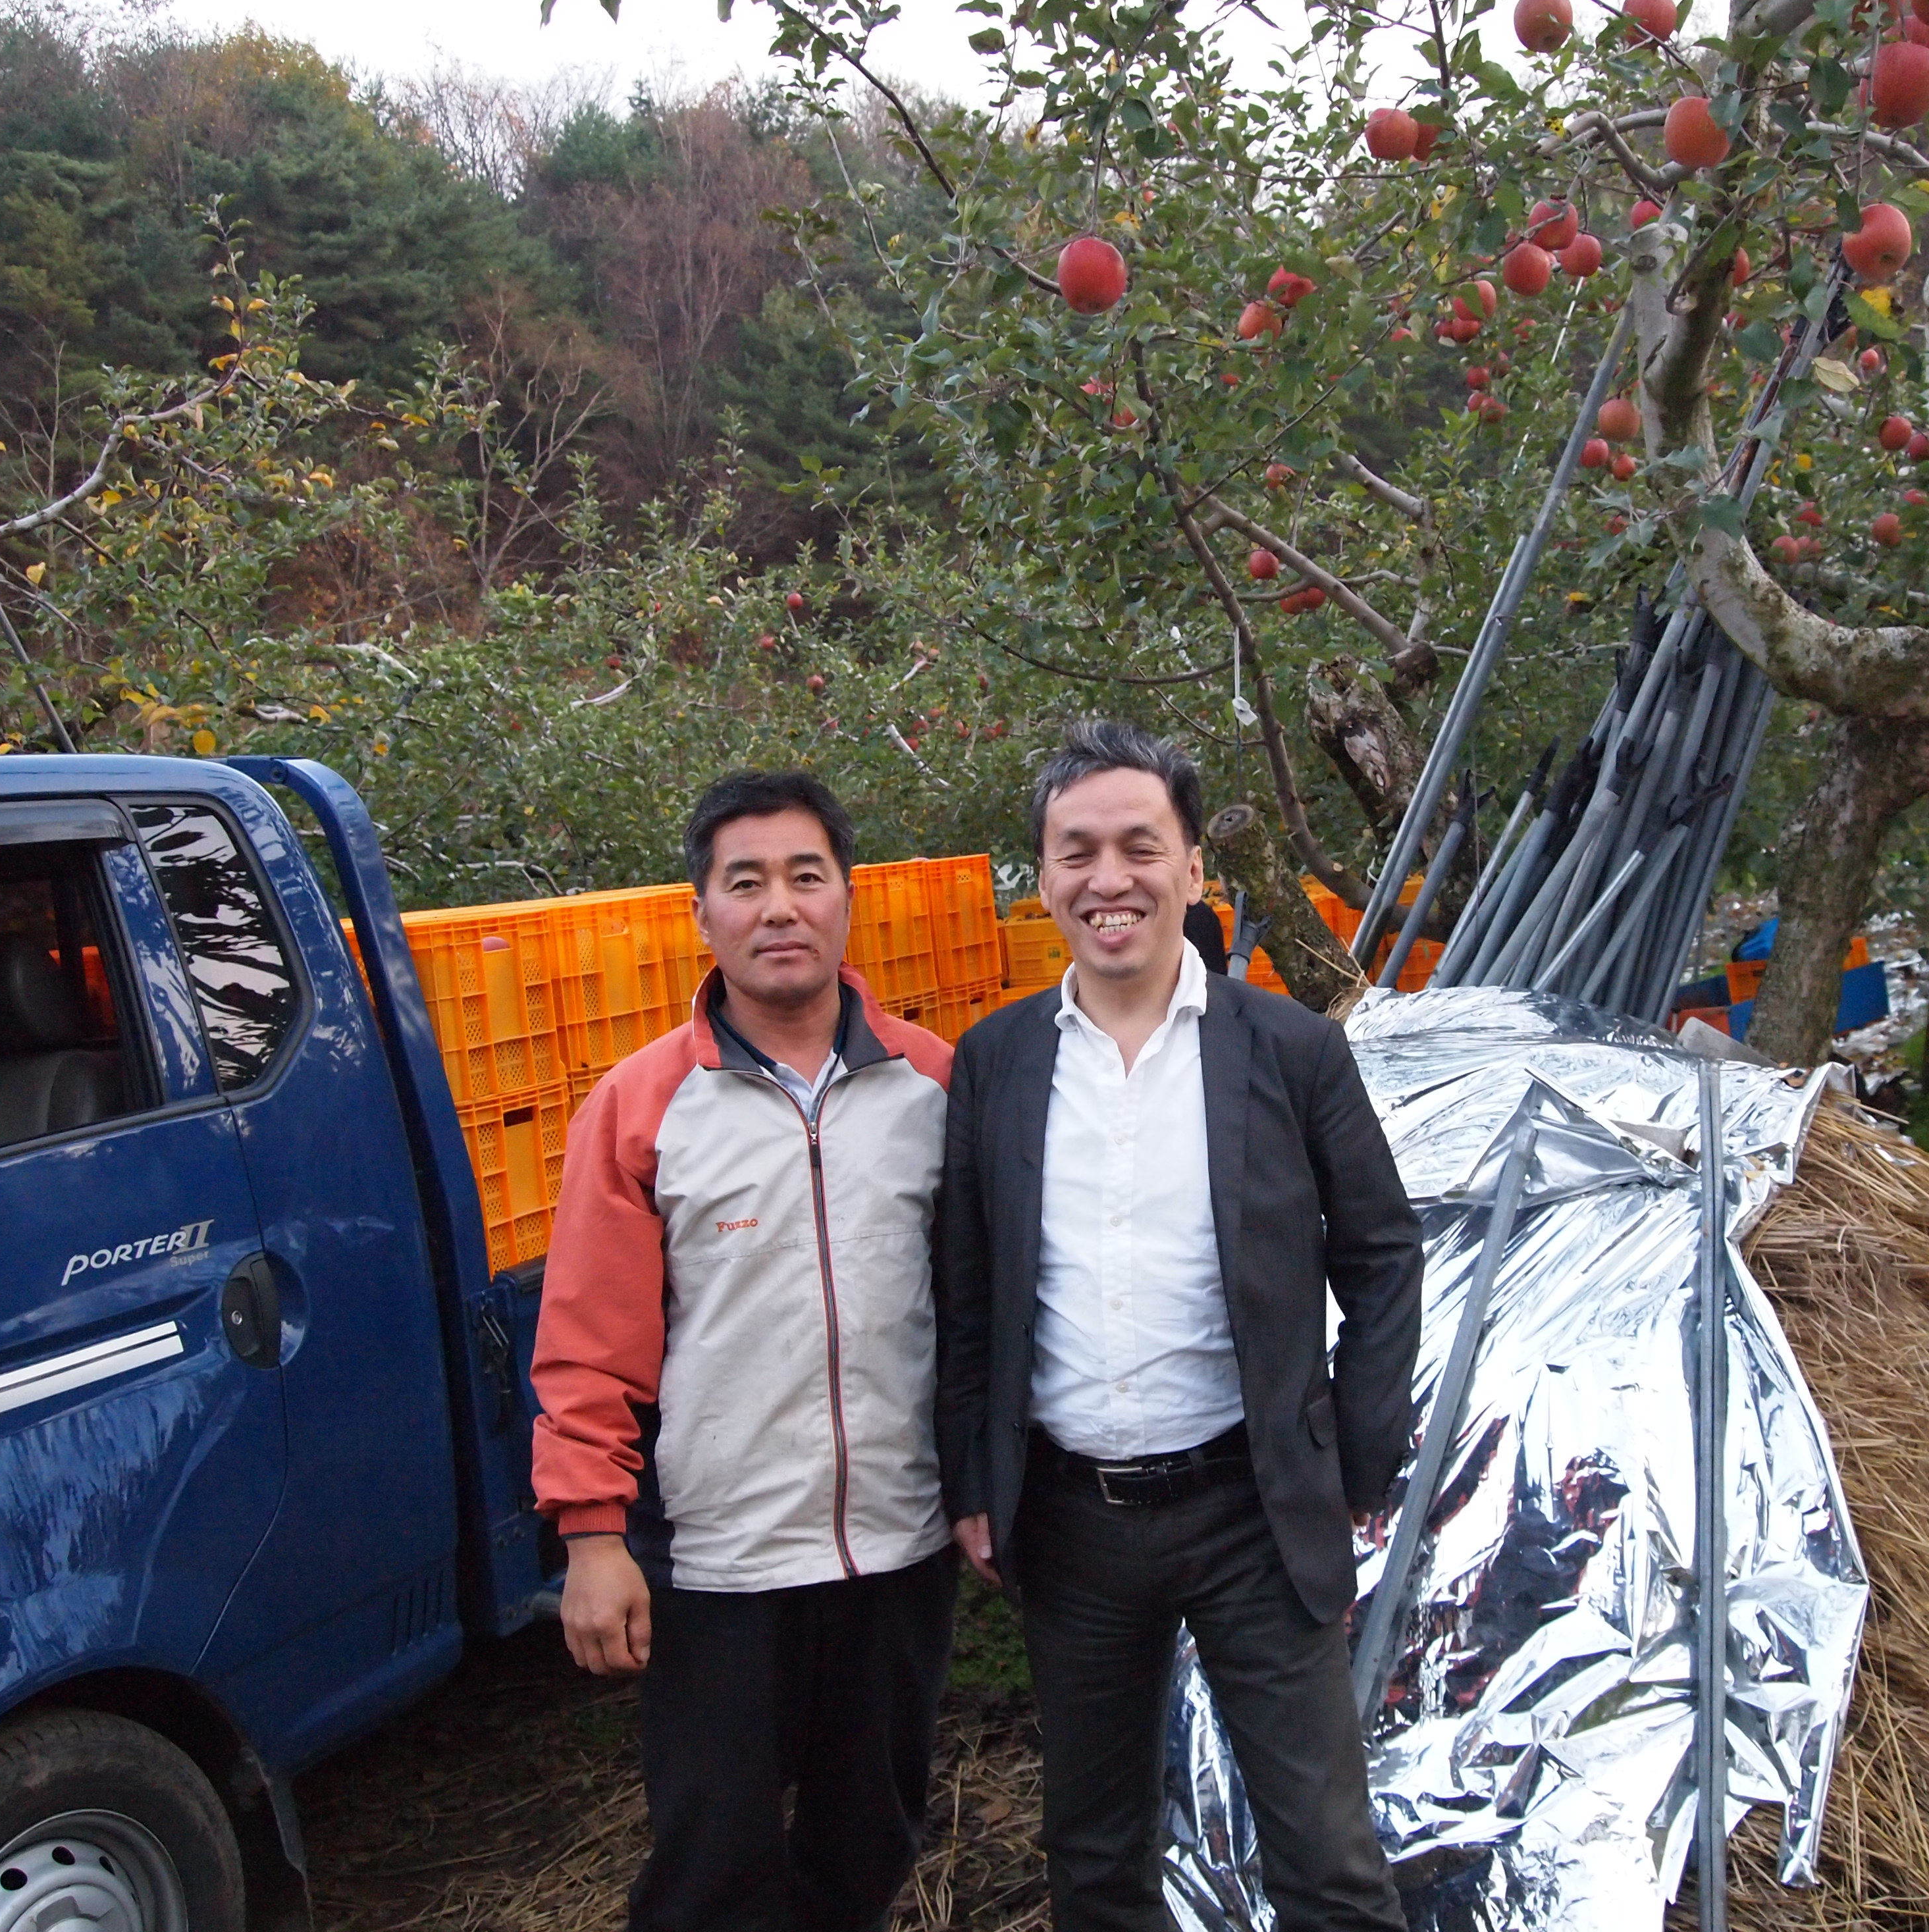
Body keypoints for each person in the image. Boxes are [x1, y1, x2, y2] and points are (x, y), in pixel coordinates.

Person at [936, 719, 1425, 1932]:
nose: (1110, 879)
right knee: (1096, 1855)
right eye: (1078, 852)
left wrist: (1359, 1457)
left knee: (1326, 1858)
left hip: (1252, 1508)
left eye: (1140, 847)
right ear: (1044, 878)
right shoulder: (995, 1062)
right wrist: (975, 1477)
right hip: (1072, 1521)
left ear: (1194, 868)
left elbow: (1380, 1255)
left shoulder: (1291, 1051)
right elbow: (969, 1291)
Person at [531, 768, 957, 1932]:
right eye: (746, 882)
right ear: (702, 914)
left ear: (848, 898)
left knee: (867, 1845)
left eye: (806, 877)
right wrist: (591, 1535)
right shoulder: (643, 1108)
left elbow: (976, 1316)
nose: (780, 907)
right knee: (711, 1868)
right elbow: (587, 1347)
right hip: (721, 1566)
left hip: (897, 1550)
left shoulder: (930, 1082)